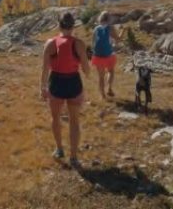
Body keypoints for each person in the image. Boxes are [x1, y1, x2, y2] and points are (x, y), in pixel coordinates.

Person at [39, 12, 91, 168]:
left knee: (56, 118)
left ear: (59, 25)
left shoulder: (50, 43)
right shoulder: (79, 43)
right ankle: (74, 157)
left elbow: (44, 69)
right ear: (73, 26)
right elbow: (87, 70)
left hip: (56, 82)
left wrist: (42, 87)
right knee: (74, 121)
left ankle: (59, 149)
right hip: (73, 82)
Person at [91, 11, 123, 100]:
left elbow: (93, 43)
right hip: (109, 55)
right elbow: (118, 39)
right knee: (111, 71)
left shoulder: (96, 29)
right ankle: (109, 88)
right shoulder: (110, 28)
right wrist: (123, 31)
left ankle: (102, 96)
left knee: (101, 77)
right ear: (109, 19)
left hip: (97, 55)